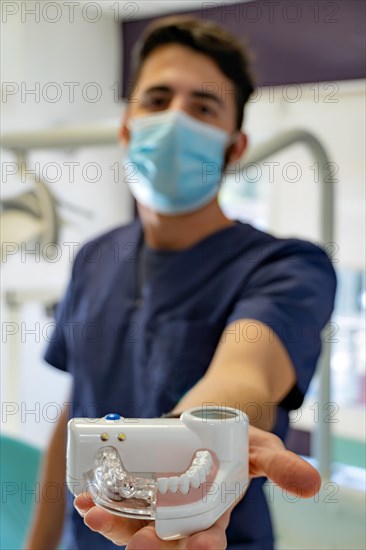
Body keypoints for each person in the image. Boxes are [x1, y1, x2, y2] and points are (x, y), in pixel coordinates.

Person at [26, 15, 336, 550]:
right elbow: (77, 410)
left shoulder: (286, 266)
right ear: (126, 128)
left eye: (203, 107)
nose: (174, 119)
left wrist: (198, 441)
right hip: (94, 534)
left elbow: (246, 375)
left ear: (234, 148)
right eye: (157, 99)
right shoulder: (95, 258)